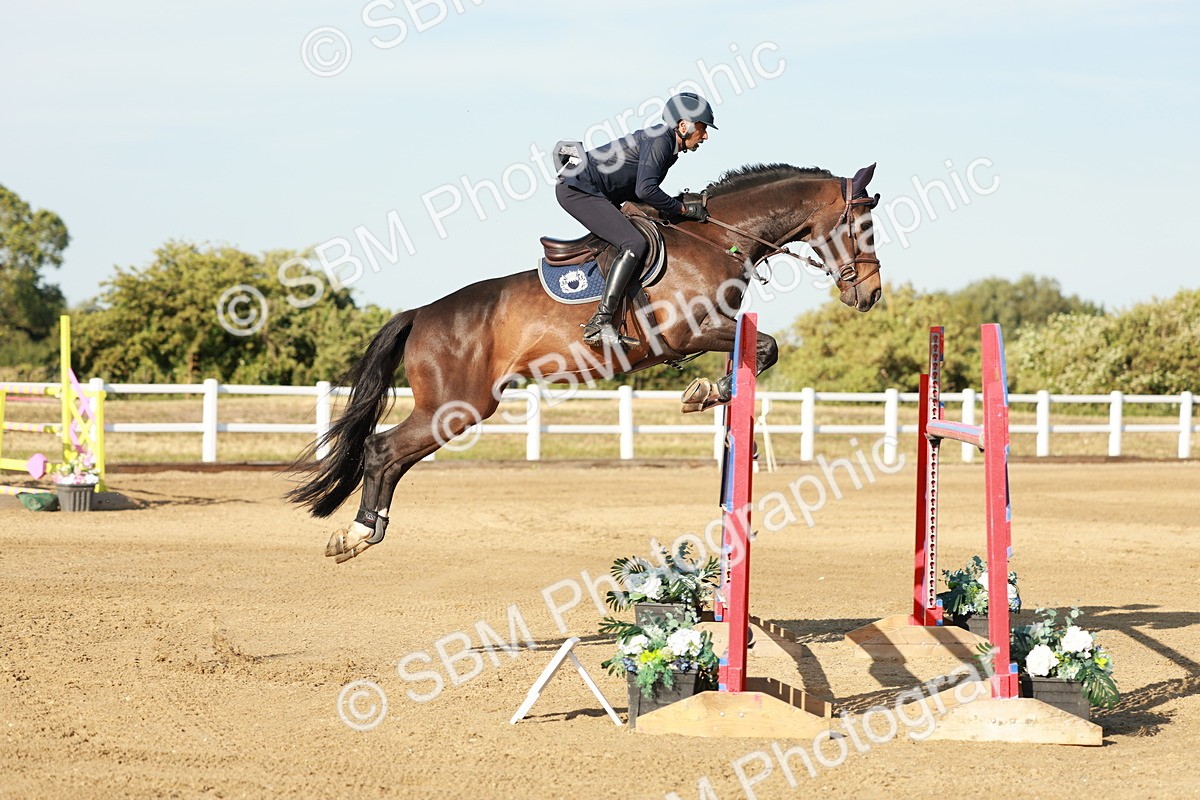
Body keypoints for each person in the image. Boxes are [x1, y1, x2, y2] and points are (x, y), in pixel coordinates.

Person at [556, 92, 716, 347]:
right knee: (634, 243)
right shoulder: (661, 142)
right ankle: (600, 322)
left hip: (596, 191)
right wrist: (682, 210)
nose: (705, 135)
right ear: (684, 126)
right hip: (579, 191)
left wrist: (672, 208)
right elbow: (645, 190)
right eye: (702, 128)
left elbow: (640, 192)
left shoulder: (668, 146)